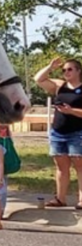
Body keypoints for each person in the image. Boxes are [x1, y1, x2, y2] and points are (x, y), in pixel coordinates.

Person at [34, 56, 82, 209]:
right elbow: (38, 79)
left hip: (77, 133)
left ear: (79, 71)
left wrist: (71, 111)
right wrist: (50, 67)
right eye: (63, 70)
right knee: (61, 167)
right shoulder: (60, 85)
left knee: (80, 166)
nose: (66, 72)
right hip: (58, 133)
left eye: (70, 69)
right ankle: (60, 199)